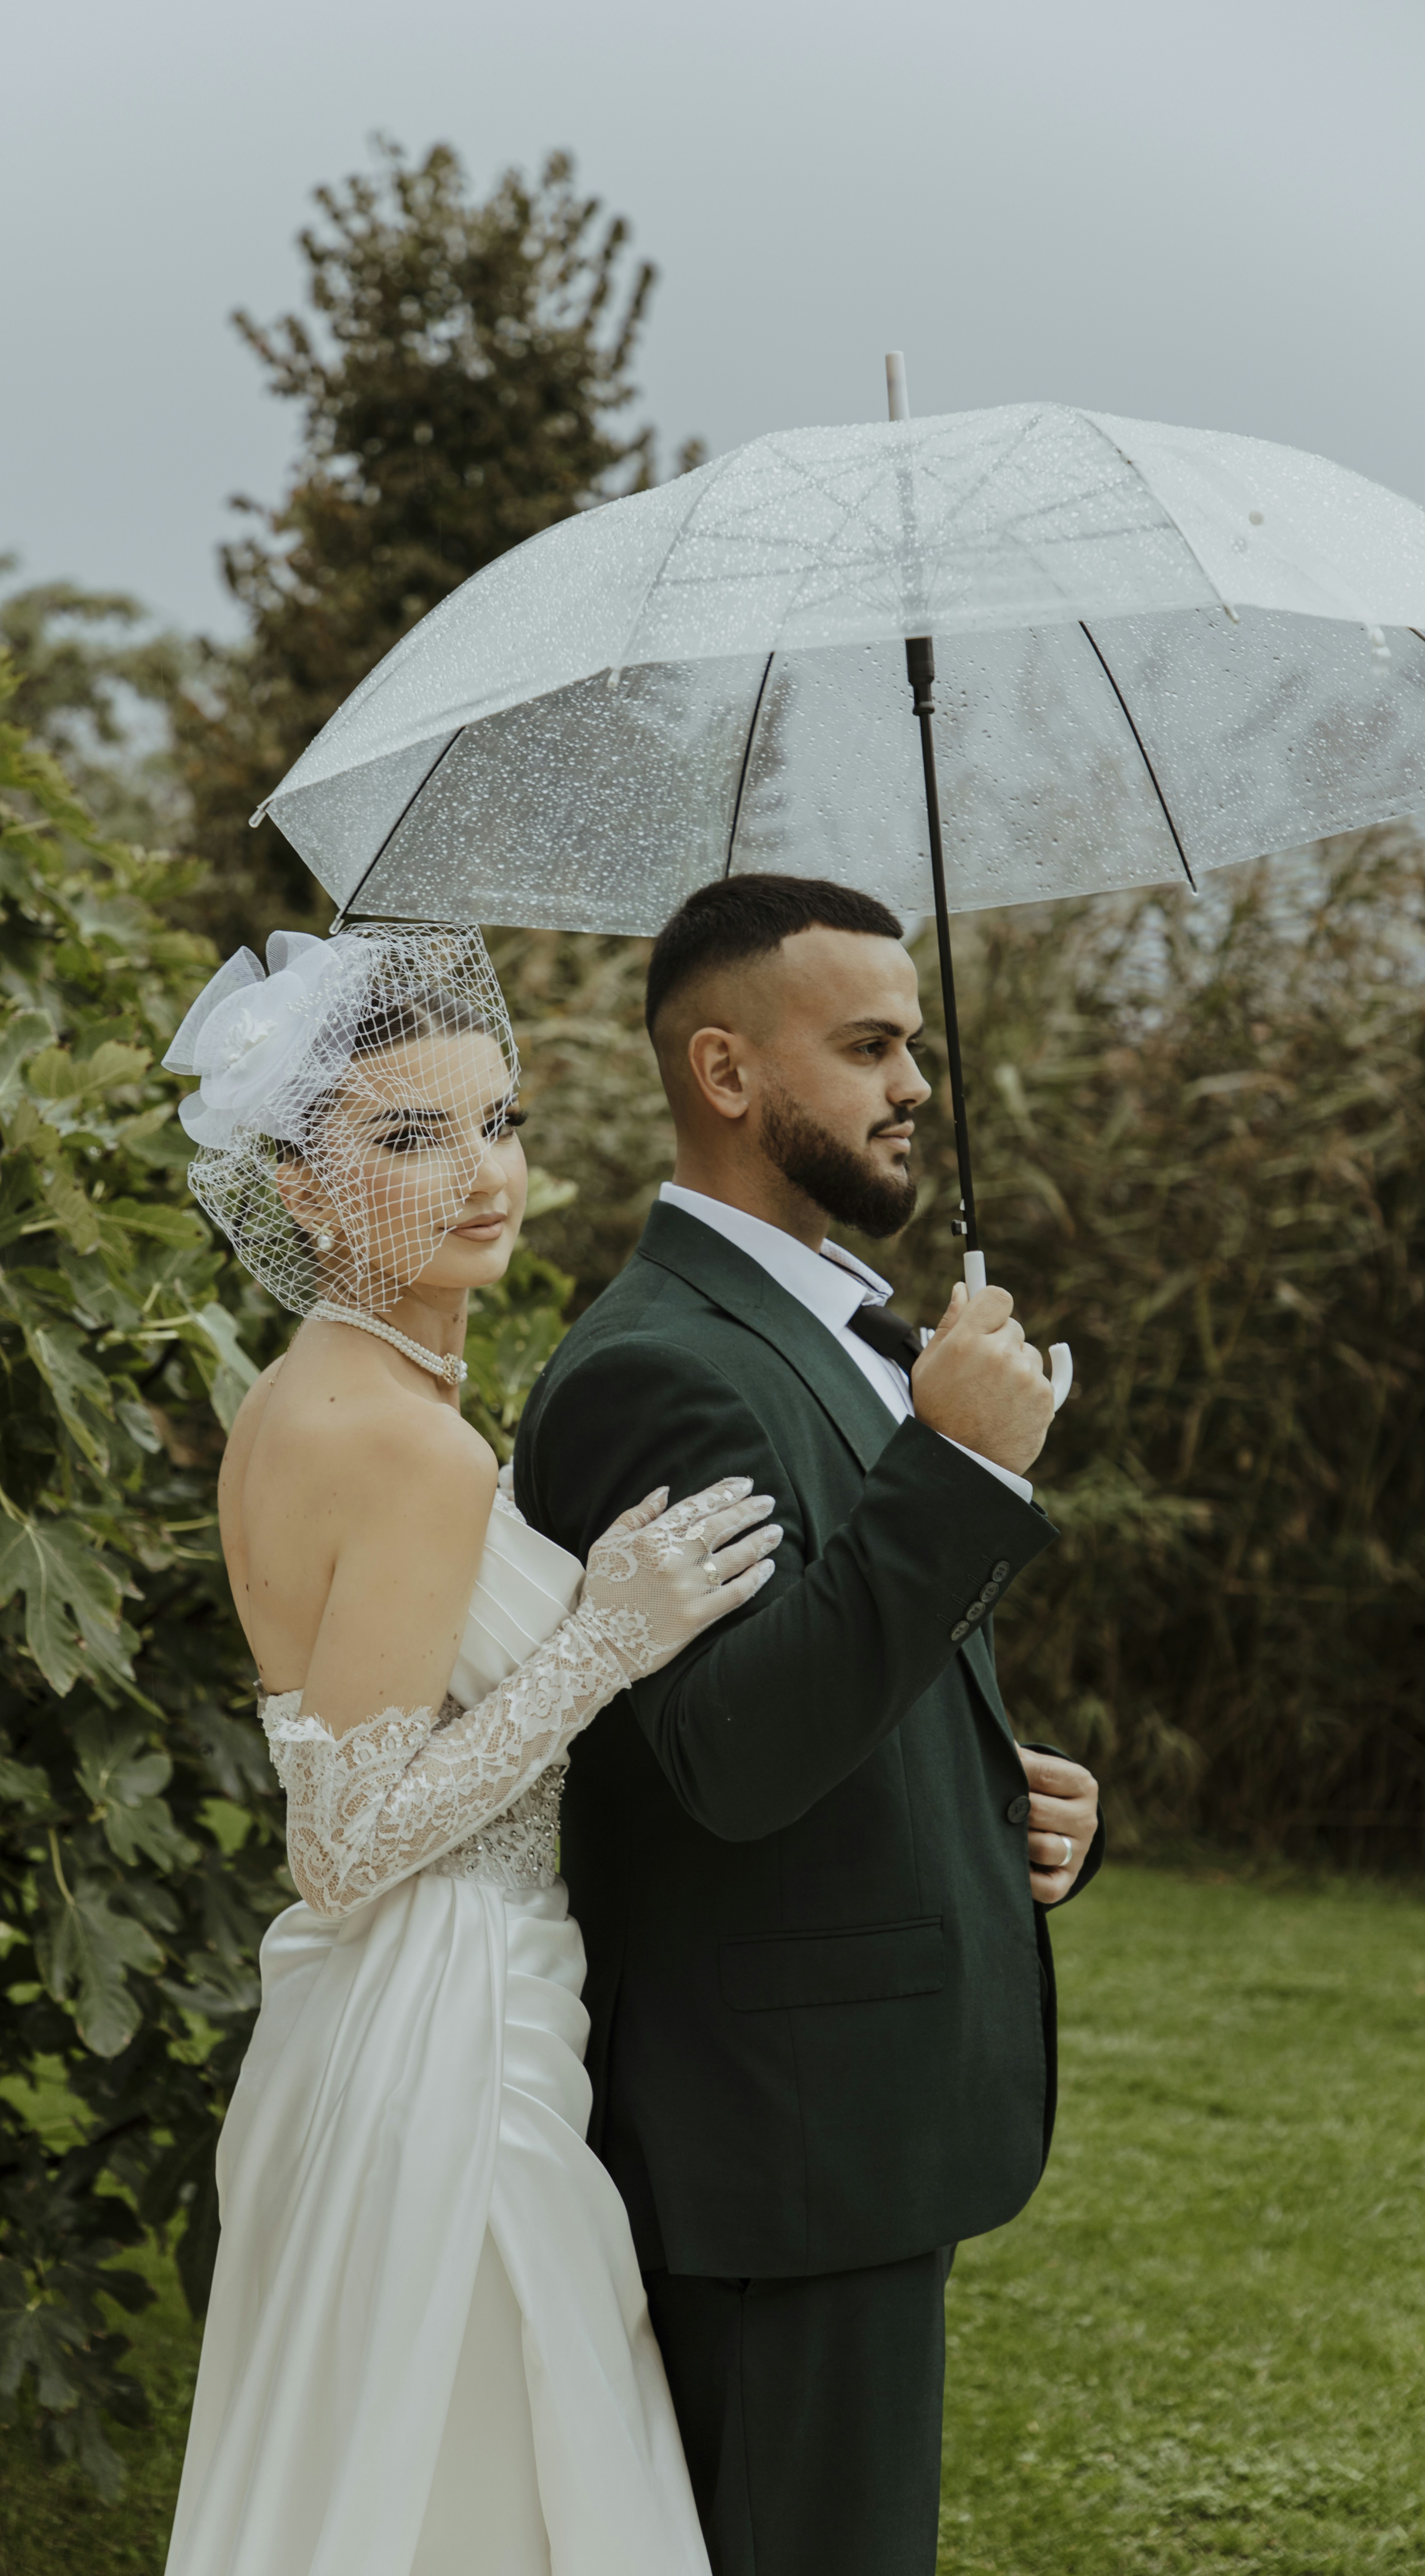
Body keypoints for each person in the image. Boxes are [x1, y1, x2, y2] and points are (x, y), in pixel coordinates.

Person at [159, 921, 782, 2576]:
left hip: (397, 2023)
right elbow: (342, 1845)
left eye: (494, 1122)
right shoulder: (398, 1450)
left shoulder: (324, 1393)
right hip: (442, 2039)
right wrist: (602, 1638)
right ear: (300, 1190)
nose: (480, 1173)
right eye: (408, 1137)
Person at [513, 874, 1105, 2576]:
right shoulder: (659, 1368)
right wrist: (960, 1471)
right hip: (771, 2142)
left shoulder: (831, 1325)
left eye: (909, 1044)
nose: (912, 1082)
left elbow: (839, 1663)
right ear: (722, 1072)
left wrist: (998, 1797)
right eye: (864, 1046)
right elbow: (732, 1753)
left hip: (851, 2118)